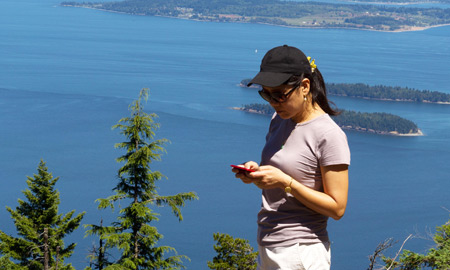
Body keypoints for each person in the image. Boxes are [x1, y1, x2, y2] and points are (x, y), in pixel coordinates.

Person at [232, 45, 350, 270]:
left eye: (279, 95)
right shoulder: (280, 119)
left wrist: (286, 183)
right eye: (266, 94)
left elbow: (337, 208)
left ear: (305, 86)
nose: (273, 102)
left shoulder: (329, 135)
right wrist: (256, 172)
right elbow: (281, 168)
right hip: (268, 243)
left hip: (301, 250)